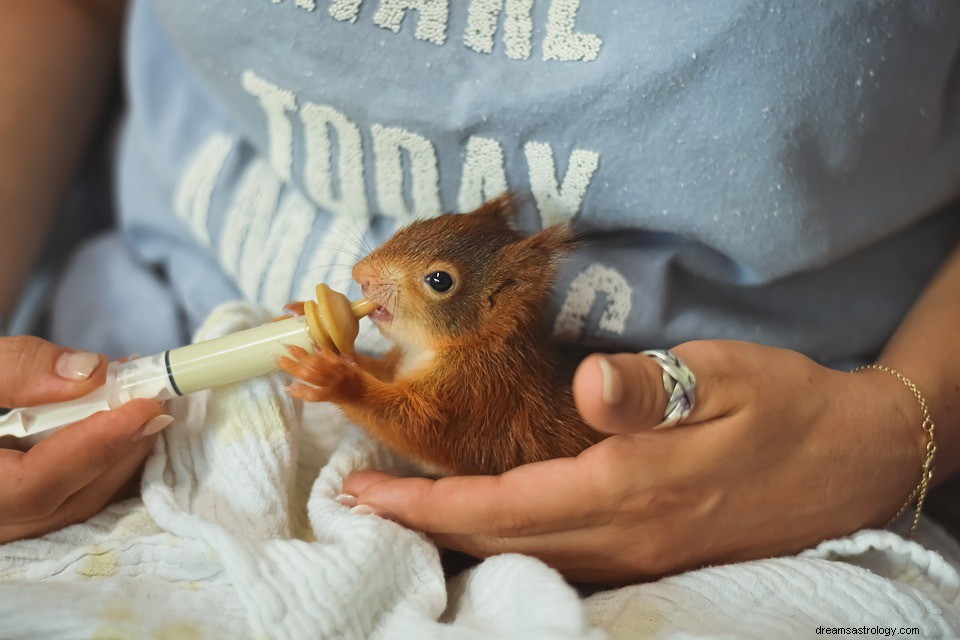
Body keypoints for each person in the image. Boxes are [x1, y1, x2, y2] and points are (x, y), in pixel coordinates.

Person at [1, 0, 959, 586]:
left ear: (495, 305)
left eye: (432, 280)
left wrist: (898, 425)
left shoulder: (482, 366)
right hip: (121, 351)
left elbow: (437, 427)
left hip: (779, 488)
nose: (368, 279)